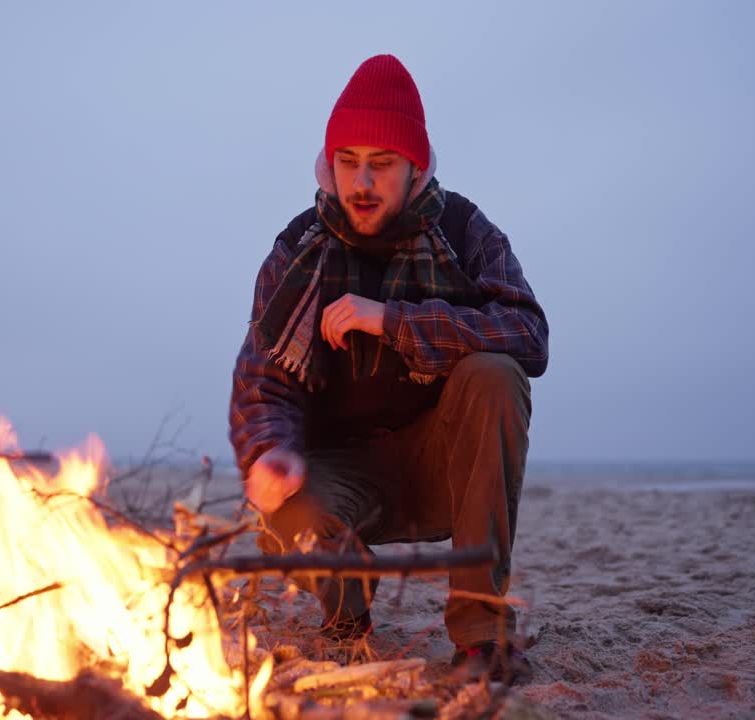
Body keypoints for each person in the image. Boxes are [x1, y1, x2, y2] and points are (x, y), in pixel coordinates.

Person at [228, 54, 549, 684]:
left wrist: (393, 319)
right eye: (347, 162)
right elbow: (262, 378)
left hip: (442, 465)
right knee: (288, 496)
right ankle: (348, 617)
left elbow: (528, 335)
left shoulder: (463, 230)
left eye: (381, 164)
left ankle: (483, 638)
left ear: (415, 167)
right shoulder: (299, 250)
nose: (362, 182)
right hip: (341, 473)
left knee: (495, 373)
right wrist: (270, 451)